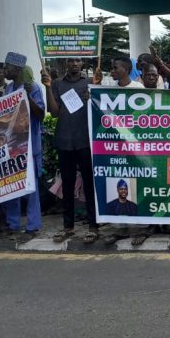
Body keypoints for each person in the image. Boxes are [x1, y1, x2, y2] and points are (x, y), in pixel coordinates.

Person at [42, 57, 100, 245]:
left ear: (82, 63)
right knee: (66, 186)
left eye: (77, 60)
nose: (74, 63)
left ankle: (93, 226)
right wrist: (48, 87)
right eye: (70, 60)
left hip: (85, 141)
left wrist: (94, 94)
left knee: (90, 186)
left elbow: (100, 109)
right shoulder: (57, 84)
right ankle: (68, 226)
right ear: (66, 63)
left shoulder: (91, 82)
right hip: (65, 141)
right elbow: (54, 112)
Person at [2, 52, 45, 237]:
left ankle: (33, 224)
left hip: (30, 145)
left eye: (7, 67)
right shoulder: (9, 88)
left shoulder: (33, 87)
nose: (5, 70)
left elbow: (40, 114)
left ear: (17, 69)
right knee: (12, 186)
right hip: (12, 146)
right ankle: (13, 224)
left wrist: (29, 96)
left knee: (31, 187)